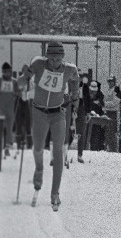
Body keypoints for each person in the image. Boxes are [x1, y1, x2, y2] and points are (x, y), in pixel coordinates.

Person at [16, 41, 80, 209]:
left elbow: (75, 80)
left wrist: (75, 97)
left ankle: (55, 193)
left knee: (58, 151)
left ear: (62, 58)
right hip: (39, 113)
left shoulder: (69, 69)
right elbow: (23, 80)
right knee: (37, 148)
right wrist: (21, 81)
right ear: (47, 57)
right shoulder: (38, 63)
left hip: (58, 113)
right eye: (51, 59)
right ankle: (39, 170)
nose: (54, 63)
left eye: (58, 59)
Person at [1, 62, 21, 156]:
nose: (6, 73)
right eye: (4, 71)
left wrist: (16, 94)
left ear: (10, 71)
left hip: (10, 109)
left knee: (9, 130)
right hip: (1, 109)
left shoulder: (14, 81)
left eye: (8, 71)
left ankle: (7, 148)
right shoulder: (0, 81)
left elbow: (18, 93)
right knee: (1, 129)